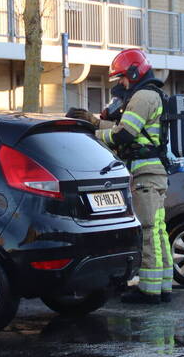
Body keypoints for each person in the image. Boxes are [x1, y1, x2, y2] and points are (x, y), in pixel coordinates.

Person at [67, 48, 172, 305]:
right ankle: (163, 287)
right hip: (154, 173)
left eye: (122, 78)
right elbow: (124, 129)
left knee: (148, 231)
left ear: (134, 73)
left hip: (145, 175)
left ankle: (149, 291)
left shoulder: (143, 97)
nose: (121, 83)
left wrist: (93, 131)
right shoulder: (153, 95)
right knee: (158, 231)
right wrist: (95, 121)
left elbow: (124, 135)